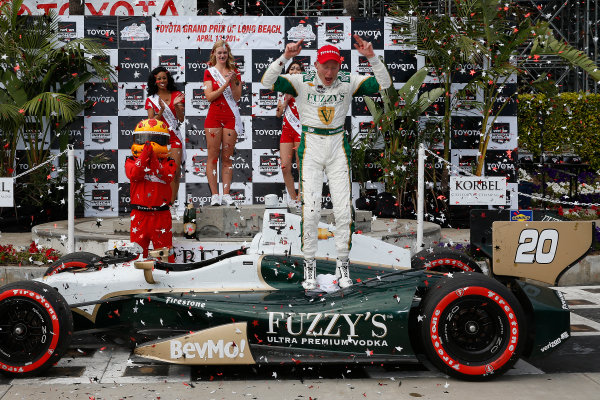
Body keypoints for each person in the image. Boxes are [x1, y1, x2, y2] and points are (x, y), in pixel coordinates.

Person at [261, 35, 392, 290]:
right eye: (325, 66)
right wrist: (286, 57)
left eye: (334, 66)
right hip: (310, 146)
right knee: (310, 212)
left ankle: (343, 265)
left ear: (340, 65)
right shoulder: (301, 81)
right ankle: (309, 264)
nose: (329, 71)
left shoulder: (347, 81)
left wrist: (371, 56)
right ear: (317, 65)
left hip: (337, 148)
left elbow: (383, 84)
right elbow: (267, 82)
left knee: (343, 212)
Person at [126, 118, 177, 262]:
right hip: (139, 216)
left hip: (161, 217)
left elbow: (165, 176)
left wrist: (153, 158)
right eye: (145, 139)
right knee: (135, 258)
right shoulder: (130, 161)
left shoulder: (169, 163)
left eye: (157, 140)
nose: (149, 143)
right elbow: (134, 173)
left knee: (165, 257)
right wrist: (144, 156)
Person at [203, 40, 243, 206]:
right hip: (213, 117)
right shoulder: (209, 72)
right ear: (214, 54)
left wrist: (233, 81)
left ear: (228, 54)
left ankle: (226, 194)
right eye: (219, 53)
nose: (222, 55)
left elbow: (237, 97)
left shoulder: (235, 72)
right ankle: (215, 195)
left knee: (227, 158)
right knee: (212, 157)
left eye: (224, 53)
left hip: (230, 117)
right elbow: (209, 97)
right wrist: (224, 84)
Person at [145, 66, 185, 206]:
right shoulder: (151, 99)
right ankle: (160, 202)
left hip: (174, 138)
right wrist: (161, 110)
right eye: (159, 78)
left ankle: (171, 204)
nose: (162, 80)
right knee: (159, 173)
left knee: (175, 171)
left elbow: (181, 119)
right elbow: (151, 123)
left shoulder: (177, 95)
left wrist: (177, 106)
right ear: (154, 81)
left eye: (164, 78)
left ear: (168, 79)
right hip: (158, 139)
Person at [275, 60, 304, 207]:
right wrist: (285, 101)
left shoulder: (305, 90)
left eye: (297, 69)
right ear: (288, 73)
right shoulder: (283, 91)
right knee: (285, 166)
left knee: (301, 166)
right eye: (292, 69)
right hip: (287, 132)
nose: (294, 71)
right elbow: (278, 114)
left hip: (300, 131)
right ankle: (293, 198)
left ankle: (301, 198)